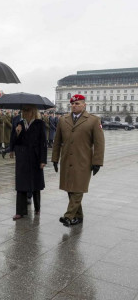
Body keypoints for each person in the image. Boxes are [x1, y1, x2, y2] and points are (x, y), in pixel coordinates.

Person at [52, 94, 105, 227]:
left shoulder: (93, 120)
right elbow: (57, 141)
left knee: (78, 188)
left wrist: (97, 162)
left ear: (84, 105)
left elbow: (99, 143)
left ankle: (68, 216)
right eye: (73, 104)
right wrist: (54, 159)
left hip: (83, 160)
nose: (74, 106)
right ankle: (79, 216)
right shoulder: (63, 120)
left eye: (77, 104)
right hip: (66, 160)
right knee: (70, 188)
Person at [10, 105, 47, 219]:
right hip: (22, 156)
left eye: (27, 110)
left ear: (33, 111)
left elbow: (43, 143)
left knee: (35, 183)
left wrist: (43, 160)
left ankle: (37, 208)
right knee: (21, 183)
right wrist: (17, 132)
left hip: (35, 157)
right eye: (23, 110)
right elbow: (14, 140)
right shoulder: (18, 122)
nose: (25, 112)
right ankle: (20, 211)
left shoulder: (39, 124)